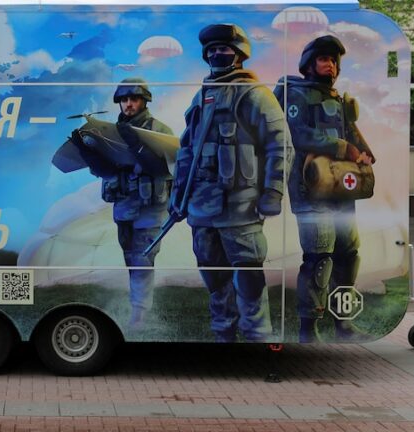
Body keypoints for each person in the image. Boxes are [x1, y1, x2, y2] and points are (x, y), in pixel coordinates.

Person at [169, 24, 290, 342]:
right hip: (202, 206)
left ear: (239, 54)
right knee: (213, 273)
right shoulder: (202, 96)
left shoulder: (254, 94)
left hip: (241, 205)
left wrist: (273, 191)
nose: (215, 54)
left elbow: (280, 144)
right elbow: (186, 152)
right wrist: (178, 195)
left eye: (223, 49)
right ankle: (224, 331)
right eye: (211, 50)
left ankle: (256, 333)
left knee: (248, 272)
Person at [274, 36, 374, 342]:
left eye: (333, 60)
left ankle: (343, 325)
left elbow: (352, 133)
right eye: (322, 59)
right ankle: (309, 330)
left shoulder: (338, 98)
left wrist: (365, 153)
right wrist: (345, 148)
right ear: (309, 64)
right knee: (319, 257)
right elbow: (298, 134)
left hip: (341, 189)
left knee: (348, 254)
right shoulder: (296, 95)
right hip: (310, 188)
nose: (329, 64)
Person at [73, 78, 173, 329]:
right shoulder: (111, 132)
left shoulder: (158, 130)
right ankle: (138, 307)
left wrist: (137, 144)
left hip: (151, 207)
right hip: (125, 206)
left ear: (144, 100)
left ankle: (139, 313)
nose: (129, 104)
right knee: (131, 258)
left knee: (142, 258)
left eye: (134, 99)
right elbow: (106, 171)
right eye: (125, 100)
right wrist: (87, 151)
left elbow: (166, 168)